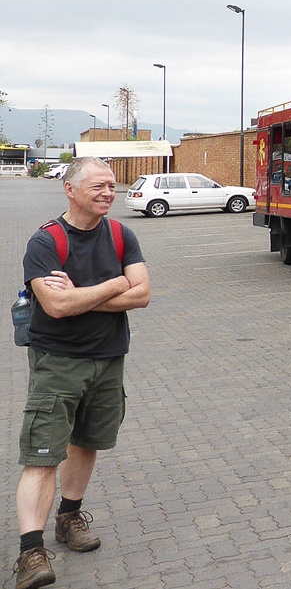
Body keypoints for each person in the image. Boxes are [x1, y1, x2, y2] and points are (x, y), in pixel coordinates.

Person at [15, 157, 150, 589]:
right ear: (70, 190)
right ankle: (30, 553)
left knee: (86, 442)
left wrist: (86, 293)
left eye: (111, 185)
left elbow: (143, 294)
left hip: (109, 358)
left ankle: (69, 517)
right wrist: (116, 285)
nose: (108, 192)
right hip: (58, 361)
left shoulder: (120, 233)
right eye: (98, 186)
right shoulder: (45, 242)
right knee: (42, 456)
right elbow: (56, 307)